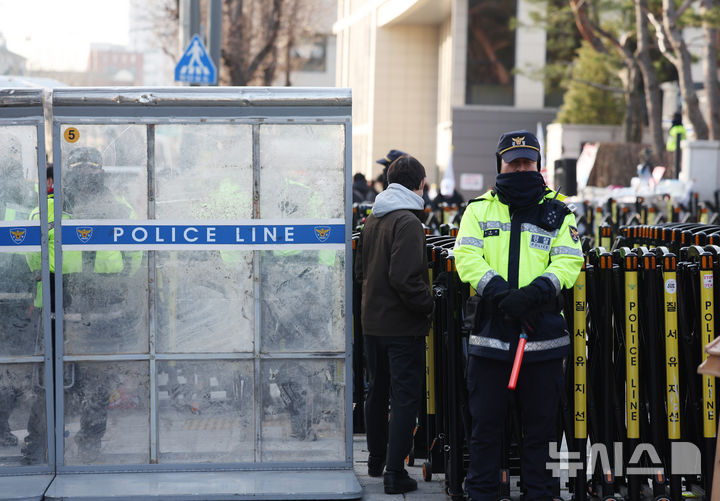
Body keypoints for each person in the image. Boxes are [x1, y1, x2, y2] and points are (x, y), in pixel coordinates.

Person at [454, 130, 583, 501]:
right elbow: (466, 258)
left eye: (527, 161)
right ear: (501, 165)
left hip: (540, 335)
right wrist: (499, 293)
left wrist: (534, 293)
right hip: (492, 333)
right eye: (514, 162)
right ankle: (481, 492)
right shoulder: (478, 210)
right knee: (486, 427)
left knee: (540, 430)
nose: (520, 167)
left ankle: (538, 493)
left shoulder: (559, 210)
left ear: (538, 164)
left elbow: (569, 260)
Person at [354, 154, 433, 494]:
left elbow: (360, 272)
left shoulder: (374, 218)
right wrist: (429, 304)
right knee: (403, 397)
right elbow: (406, 278)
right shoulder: (408, 222)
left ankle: (375, 460)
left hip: (372, 323)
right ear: (421, 185)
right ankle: (394, 473)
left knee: (377, 391)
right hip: (402, 326)